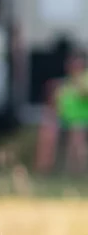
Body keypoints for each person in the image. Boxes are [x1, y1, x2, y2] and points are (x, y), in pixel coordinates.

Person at [35, 47, 88, 175]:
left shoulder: (84, 79)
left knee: (76, 134)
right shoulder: (64, 83)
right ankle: (43, 171)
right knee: (47, 132)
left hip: (82, 119)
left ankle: (77, 172)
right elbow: (54, 104)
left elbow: (84, 94)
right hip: (64, 119)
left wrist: (76, 85)